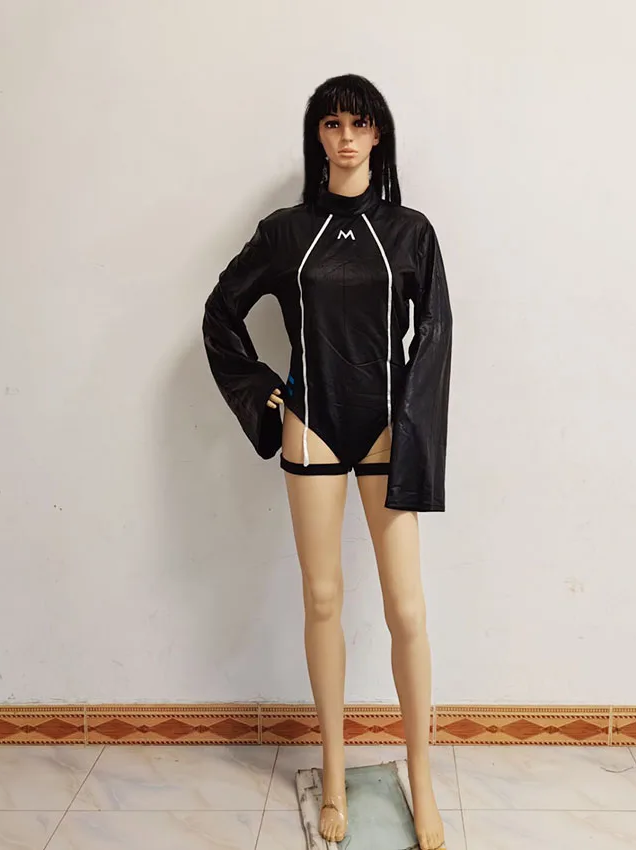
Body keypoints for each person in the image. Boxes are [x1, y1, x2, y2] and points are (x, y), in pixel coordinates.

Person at [203, 73, 452, 849]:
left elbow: (435, 335)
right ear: (318, 134)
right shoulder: (287, 232)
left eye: (359, 124)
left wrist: (416, 428)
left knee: (407, 610)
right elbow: (221, 311)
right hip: (311, 424)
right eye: (333, 123)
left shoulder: (409, 232)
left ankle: (423, 778)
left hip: (384, 429)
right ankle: (335, 776)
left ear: (379, 135)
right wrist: (264, 395)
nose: (346, 137)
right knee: (321, 600)